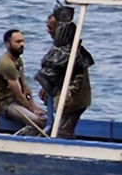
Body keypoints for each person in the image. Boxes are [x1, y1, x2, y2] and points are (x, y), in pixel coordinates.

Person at [36, 9, 94, 139]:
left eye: (51, 28)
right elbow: (56, 71)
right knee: (63, 127)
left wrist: (69, 91)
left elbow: (79, 75)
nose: (48, 31)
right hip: (66, 99)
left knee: (63, 131)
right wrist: (47, 87)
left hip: (75, 100)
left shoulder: (74, 51)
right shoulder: (61, 48)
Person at [0, 29, 46, 131]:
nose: (22, 44)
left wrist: (34, 106)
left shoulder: (18, 60)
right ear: (8, 44)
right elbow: (19, 95)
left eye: (23, 41)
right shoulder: (6, 65)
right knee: (36, 120)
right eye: (18, 42)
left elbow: (25, 87)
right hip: (5, 104)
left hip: (15, 100)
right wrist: (31, 111)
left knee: (46, 116)